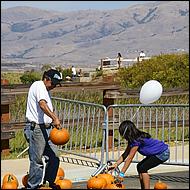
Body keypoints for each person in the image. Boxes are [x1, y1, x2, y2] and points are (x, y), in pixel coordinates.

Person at [24, 69, 63, 189]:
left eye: (56, 84)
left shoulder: (46, 90)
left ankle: (48, 183)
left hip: (47, 129)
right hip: (37, 128)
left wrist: (52, 122)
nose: (54, 86)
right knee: (37, 160)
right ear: (46, 79)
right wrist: (55, 118)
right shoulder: (39, 85)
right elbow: (42, 104)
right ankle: (33, 186)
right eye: (53, 83)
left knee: (54, 157)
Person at [109, 120, 170, 189]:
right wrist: (116, 164)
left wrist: (121, 174)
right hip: (158, 153)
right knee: (139, 166)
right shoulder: (133, 139)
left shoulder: (136, 140)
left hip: (162, 153)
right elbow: (125, 154)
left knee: (143, 168)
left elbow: (129, 158)